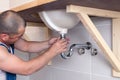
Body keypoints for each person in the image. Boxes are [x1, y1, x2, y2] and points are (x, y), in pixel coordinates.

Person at [0, 10, 68, 80]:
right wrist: (53, 51)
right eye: (18, 36)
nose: (20, 38)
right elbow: (26, 69)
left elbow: (26, 46)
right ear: (4, 36)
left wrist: (48, 43)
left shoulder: (8, 39)